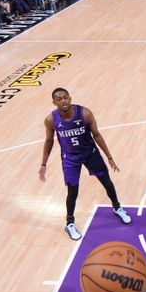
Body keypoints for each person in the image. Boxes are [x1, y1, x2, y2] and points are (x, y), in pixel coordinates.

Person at [39, 88, 131, 239]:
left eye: (65, 98)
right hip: (70, 158)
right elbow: (49, 141)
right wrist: (44, 164)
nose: (63, 101)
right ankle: (70, 224)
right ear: (54, 102)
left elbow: (96, 135)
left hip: (90, 154)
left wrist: (109, 157)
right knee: (72, 191)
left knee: (107, 182)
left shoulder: (85, 113)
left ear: (70, 98)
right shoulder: (50, 120)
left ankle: (117, 207)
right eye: (59, 99)